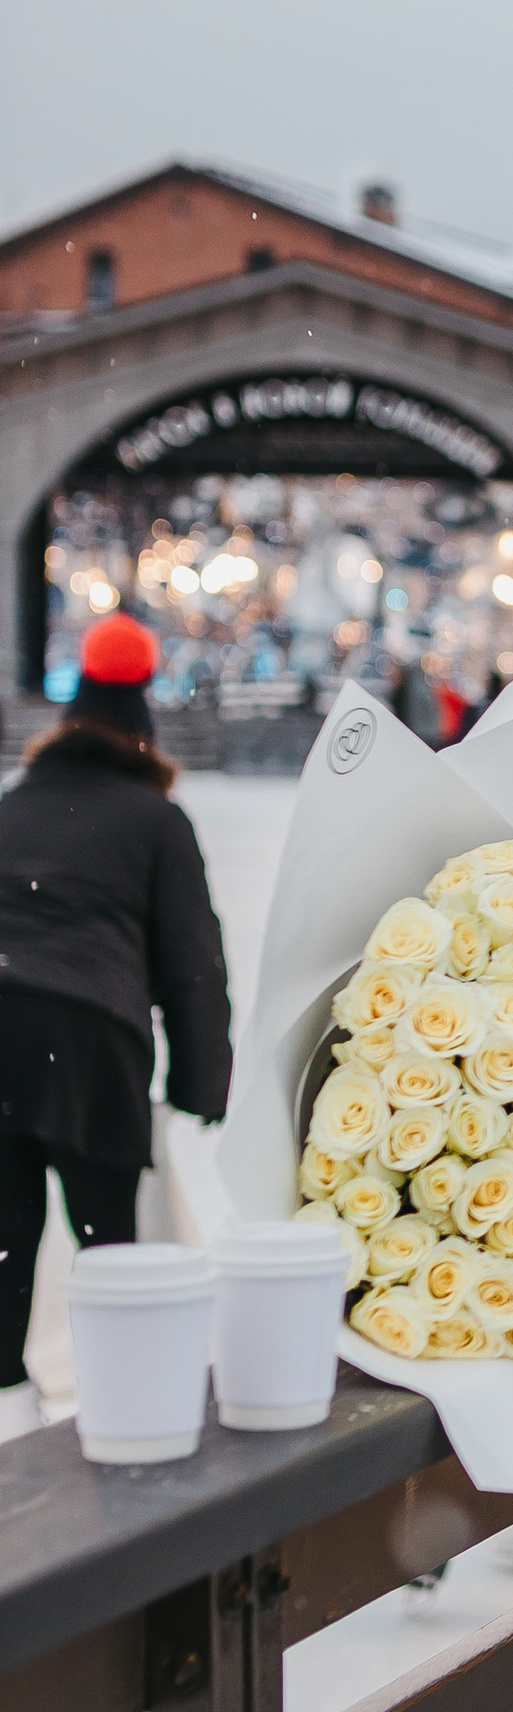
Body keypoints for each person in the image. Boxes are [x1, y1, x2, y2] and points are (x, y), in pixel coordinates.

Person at [0, 615, 232, 1444]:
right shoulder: (155, 821)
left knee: (4, 1243)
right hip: (90, 1042)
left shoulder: (12, 809)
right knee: (109, 1249)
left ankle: (8, 1421)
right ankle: (123, 1417)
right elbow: (193, 965)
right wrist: (201, 1086)